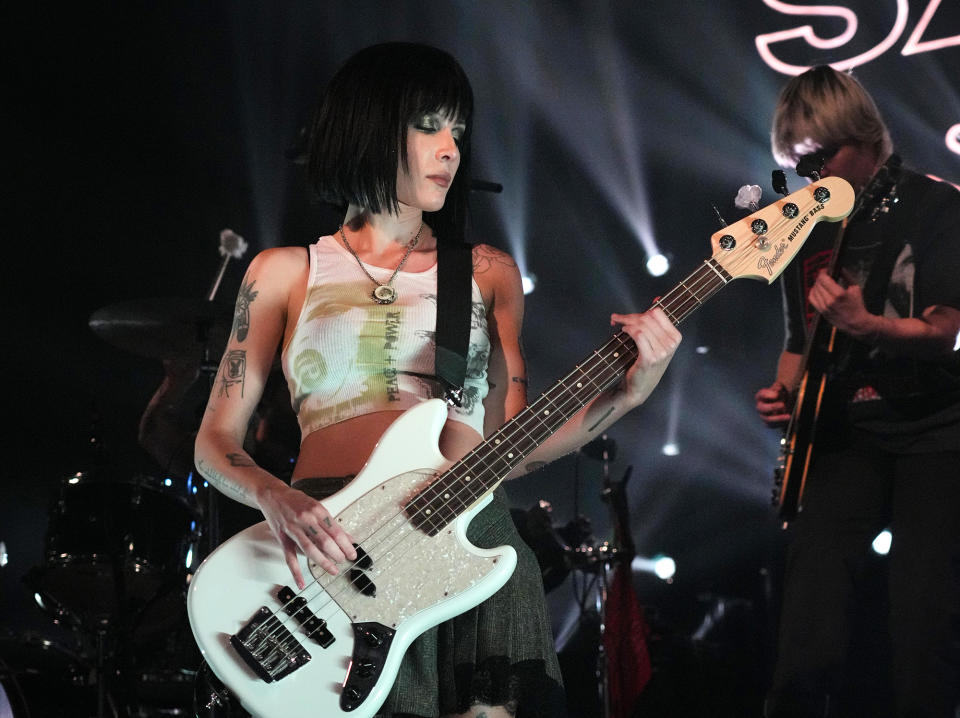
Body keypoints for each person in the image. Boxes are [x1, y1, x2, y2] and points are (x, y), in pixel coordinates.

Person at [193, 42, 681, 718]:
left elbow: (511, 448)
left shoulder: (486, 274)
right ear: (369, 126)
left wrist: (633, 391)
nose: (451, 148)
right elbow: (215, 439)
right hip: (326, 551)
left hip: (467, 547)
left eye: (458, 129)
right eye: (429, 125)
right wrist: (277, 498)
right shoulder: (283, 271)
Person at [754, 66, 960, 717]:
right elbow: (798, 341)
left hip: (938, 434)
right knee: (808, 631)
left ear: (865, 136)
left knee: (923, 628)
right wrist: (781, 396)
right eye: (800, 163)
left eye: (823, 156)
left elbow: (948, 330)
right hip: (845, 439)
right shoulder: (807, 230)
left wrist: (868, 325)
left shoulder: (939, 207)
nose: (813, 174)